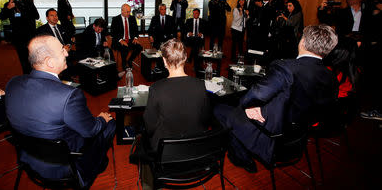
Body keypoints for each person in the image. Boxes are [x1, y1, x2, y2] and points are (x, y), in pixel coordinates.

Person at [214, 25, 338, 173]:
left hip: (271, 135)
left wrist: (246, 108)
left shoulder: (286, 67)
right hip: (298, 136)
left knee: (220, 110)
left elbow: (257, 94)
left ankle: (242, 158)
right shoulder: (330, 76)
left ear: (303, 42)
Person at [5, 35, 115, 187]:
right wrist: (102, 119)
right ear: (49, 61)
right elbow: (90, 130)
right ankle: (93, 166)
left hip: (28, 156)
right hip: (61, 164)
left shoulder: (13, 83)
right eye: (62, 50)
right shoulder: (68, 95)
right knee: (109, 123)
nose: (67, 53)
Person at [143, 39, 211, 150]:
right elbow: (205, 119)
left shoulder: (156, 89)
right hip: (194, 147)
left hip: (166, 151)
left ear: (164, 61)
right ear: (185, 57)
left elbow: (150, 126)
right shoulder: (201, 85)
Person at [0, 0, 39, 74]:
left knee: (33, 58)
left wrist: (22, 8)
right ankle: (27, 76)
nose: (14, 2)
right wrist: (7, 8)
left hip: (30, 35)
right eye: (11, 0)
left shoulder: (28, 4)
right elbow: (2, 17)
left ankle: (36, 74)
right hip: (18, 37)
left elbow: (36, 16)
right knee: (23, 59)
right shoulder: (8, 5)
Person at [111, 4, 142, 71]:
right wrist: (120, 40)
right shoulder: (115, 19)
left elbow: (136, 30)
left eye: (129, 11)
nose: (129, 13)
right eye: (127, 12)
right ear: (122, 11)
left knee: (139, 47)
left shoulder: (132, 18)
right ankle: (124, 64)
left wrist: (135, 38)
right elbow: (113, 33)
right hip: (119, 41)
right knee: (124, 48)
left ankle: (130, 60)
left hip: (130, 39)